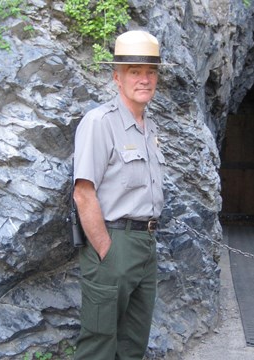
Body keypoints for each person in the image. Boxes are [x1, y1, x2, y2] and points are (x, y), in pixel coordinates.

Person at [72, 30, 172, 360]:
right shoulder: (100, 122)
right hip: (113, 243)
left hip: (145, 246)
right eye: (134, 71)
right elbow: (83, 194)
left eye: (150, 72)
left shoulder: (149, 127)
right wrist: (106, 251)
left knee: (133, 345)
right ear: (117, 77)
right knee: (99, 345)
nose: (144, 79)